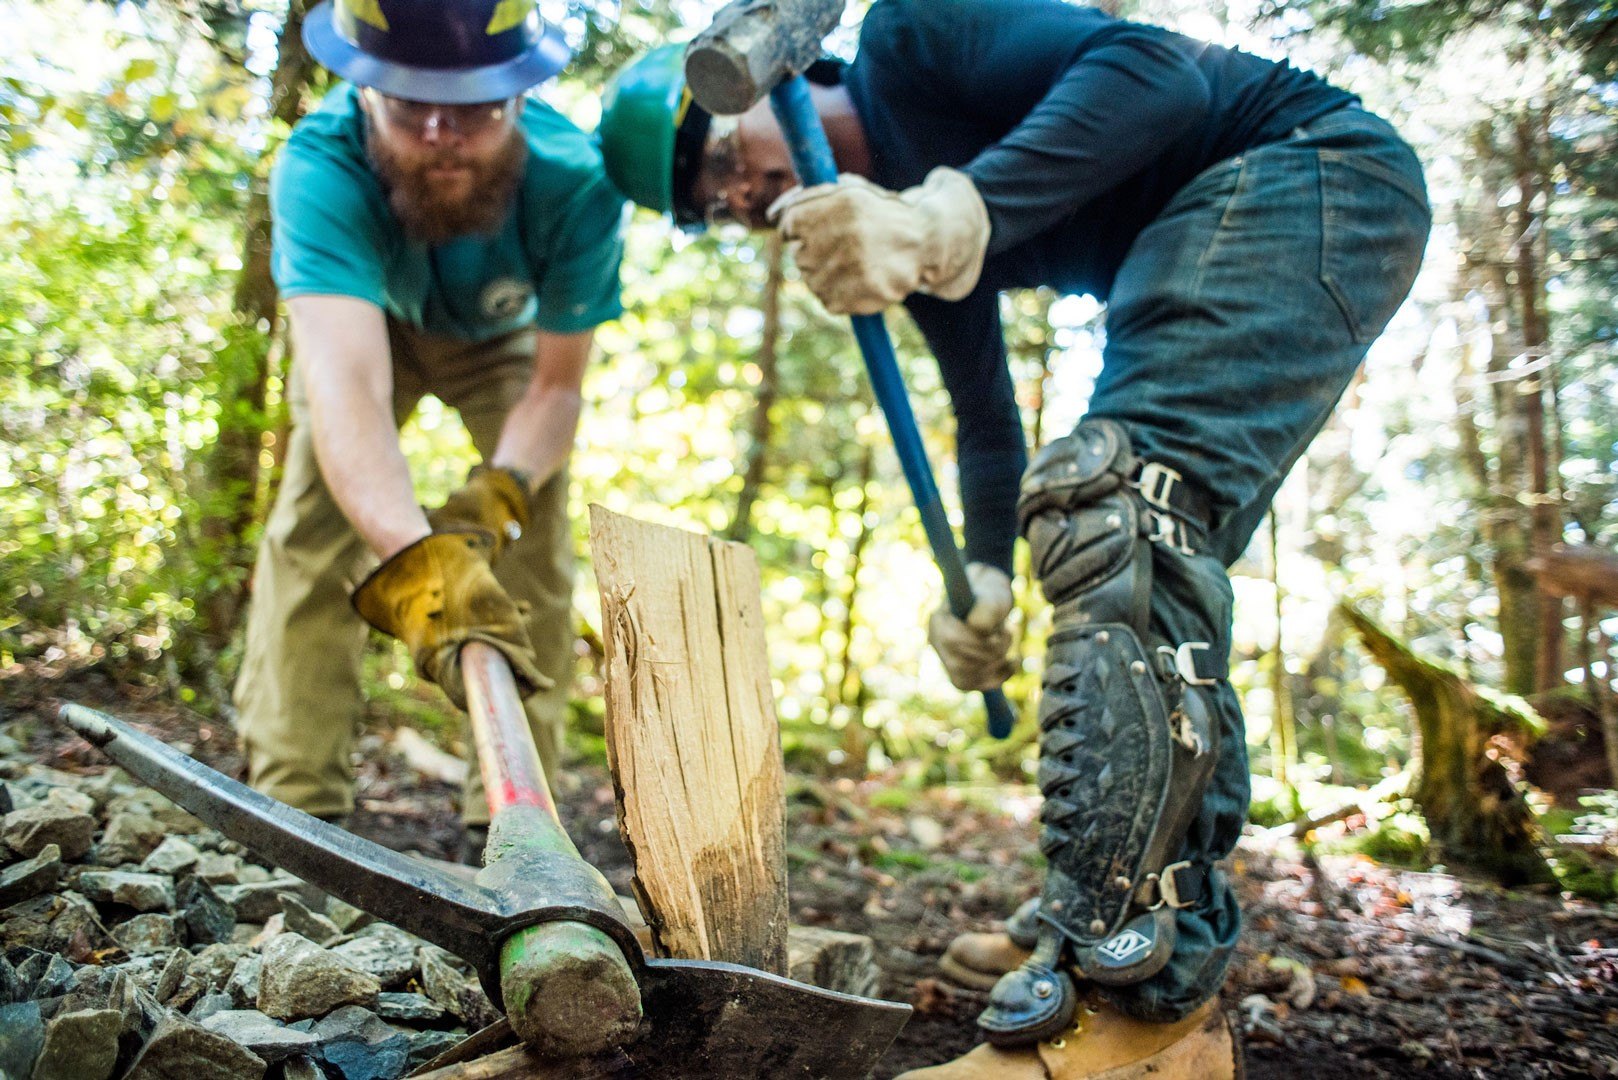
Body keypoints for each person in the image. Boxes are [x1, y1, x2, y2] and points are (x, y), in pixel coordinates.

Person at [597, 1, 1429, 1075]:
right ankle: (1126, 927)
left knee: (1119, 504)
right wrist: (983, 578)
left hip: (1302, 167)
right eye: (709, 206)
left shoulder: (910, 39)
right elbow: (990, 427)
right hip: (1224, 224)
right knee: (1149, 536)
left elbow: (1156, 73)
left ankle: (1121, 989)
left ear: (774, 82)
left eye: (718, 155)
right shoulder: (908, 238)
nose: (741, 197)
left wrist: (952, 215)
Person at [233, 0, 626, 862]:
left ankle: (520, 823)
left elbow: (557, 389)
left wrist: (503, 488)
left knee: (533, 548)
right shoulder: (320, 166)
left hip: (499, 344)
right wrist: (423, 567)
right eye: (411, 109)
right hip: (367, 328)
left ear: (521, 95)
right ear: (364, 91)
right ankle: (296, 811)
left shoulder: (578, 182)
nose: (442, 134)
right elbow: (347, 389)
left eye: (476, 109)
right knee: (315, 524)